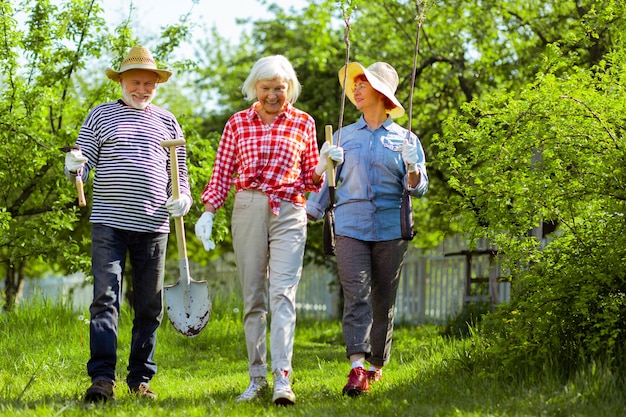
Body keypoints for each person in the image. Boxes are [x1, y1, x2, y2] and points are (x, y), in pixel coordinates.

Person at [194, 54, 342, 406]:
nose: (273, 95)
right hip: (248, 207)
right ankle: (256, 377)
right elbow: (222, 172)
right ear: (254, 88)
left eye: (280, 88)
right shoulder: (237, 124)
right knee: (254, 297)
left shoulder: (304, 123)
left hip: (290, 209)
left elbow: (309, 179)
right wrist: (209, 212)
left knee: (283, 294)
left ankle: (282, 379)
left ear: (289, 88)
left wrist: (323, 163)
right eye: (266, 88)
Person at [64, 46, 192, 402]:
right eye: (135, 81)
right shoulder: (101, 115)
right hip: (109, 224)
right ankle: (102, 379)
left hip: (154, 226)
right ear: (121, 80)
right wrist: (74, 165)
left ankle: (140, 379)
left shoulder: (167, 121)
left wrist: (184, 199)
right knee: (105, 298)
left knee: (150, 304)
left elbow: (178, 172)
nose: (142, 89)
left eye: (149, 83)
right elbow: (83, 160)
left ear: (156, 85)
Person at [306, 61, 429, 396]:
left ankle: (376, 367)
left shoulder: (405, 138)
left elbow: (417, 187)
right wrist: (306, 215)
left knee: (383, 301)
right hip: (350, 227)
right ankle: (356, 368)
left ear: (382, 94)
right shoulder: (343, 136)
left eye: (364, 84)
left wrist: (413, 166)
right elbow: (326, 184)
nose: (356, 89)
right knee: (356, 296)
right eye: (356, 84)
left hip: (391, 229)